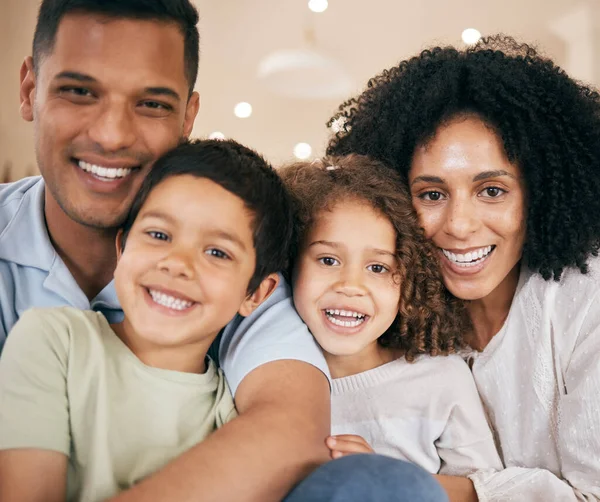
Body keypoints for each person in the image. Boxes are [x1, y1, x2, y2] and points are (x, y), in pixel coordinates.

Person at [0, 0, 450, 499]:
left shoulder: (232, 365)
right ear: (29, 89)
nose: (111, 134)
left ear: (189, 115)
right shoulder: (52, 339)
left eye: (151, 103)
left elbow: (289, 429)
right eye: (79, 91)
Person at [327, 35, 600, 501]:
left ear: (542, 191)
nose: (459, 225)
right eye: (431, 194)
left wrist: (406, 487)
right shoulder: (383, 309)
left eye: (491, 190)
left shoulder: (586, 303)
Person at [0, 138, 294, 500]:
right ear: (121, 249)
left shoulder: (231, 420)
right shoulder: (53, 340)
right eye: (159, 235)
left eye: (217, 252)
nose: (177, 264)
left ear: (255, 294)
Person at [280, 154, 501, 476]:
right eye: (328, 260)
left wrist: (386, 481)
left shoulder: (441, 381)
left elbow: (485, 488)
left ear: (410, 280)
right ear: (290, 264)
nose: (351, 286)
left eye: (378, 267)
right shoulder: (263, 383)